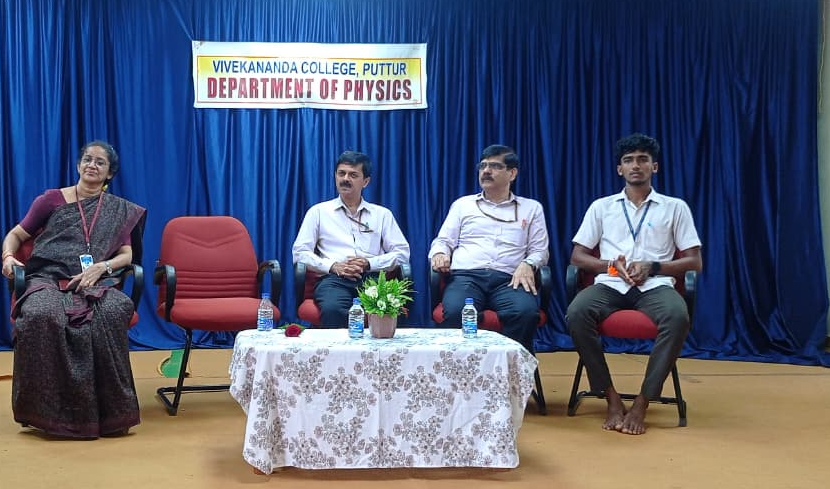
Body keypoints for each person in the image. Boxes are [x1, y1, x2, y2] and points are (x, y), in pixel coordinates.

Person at [0, 141, 145, 439]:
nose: (92, 165)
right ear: (78, 165)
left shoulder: (117, 209)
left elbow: (127, 255)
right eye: (87, 159)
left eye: (100, 162)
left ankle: (110, 414)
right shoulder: (50, 200)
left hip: (94, 282)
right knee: (41, 314)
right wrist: (8, 256)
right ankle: (45, 412)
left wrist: (101, 267)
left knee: (112, 311)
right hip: (46, 278)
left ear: (109, 173)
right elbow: (16, 234)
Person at [566, 133, 702, 435]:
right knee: (577, 312)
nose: (635, 165)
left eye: (643, 159)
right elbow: (578, 256)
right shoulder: (602, 207)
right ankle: (611, 398)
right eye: (628, 160)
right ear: (620, 169)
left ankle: (642, 402)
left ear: (655, 167)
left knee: (677, 316)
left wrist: (654, 266)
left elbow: (695, 262)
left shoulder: (674, 207)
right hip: (611, 283)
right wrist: (610, 265)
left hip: (655, 285)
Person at [429, 145, 548, 348]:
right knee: (456, 311)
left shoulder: (531, 208)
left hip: (509, 279)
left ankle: (510, 366)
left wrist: (528, 263)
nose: (486, 171)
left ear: (512, 173)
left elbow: (540, 250)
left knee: (525, 313)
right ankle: (463, 366)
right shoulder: (463, 205)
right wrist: (440, 253)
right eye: (483, 166)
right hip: (467, 277)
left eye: (495, 166)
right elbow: (443, 241)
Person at [292, 151, 410, 328]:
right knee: (333, 310)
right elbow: (300, 253)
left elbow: (402, 253)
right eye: (341, 173)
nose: (345, 179)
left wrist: (369, 263)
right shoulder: (318, 212)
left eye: (353, 175)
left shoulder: (382, 215)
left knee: (390, 310)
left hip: (373, 279)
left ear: (366, 181)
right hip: (334, 279)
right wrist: (333, 266)